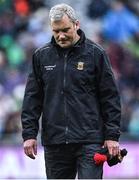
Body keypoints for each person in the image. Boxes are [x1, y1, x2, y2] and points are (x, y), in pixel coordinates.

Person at [21, 3, 121, 179]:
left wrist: (112, 136)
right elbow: (32, 98)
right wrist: (29, 134)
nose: (60, 35)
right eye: (56, 31)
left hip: (90, 140)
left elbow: (110, 97)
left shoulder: (95, 54)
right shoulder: (41, 56)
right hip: (55, 141)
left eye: (65, 30)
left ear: (77, 24)